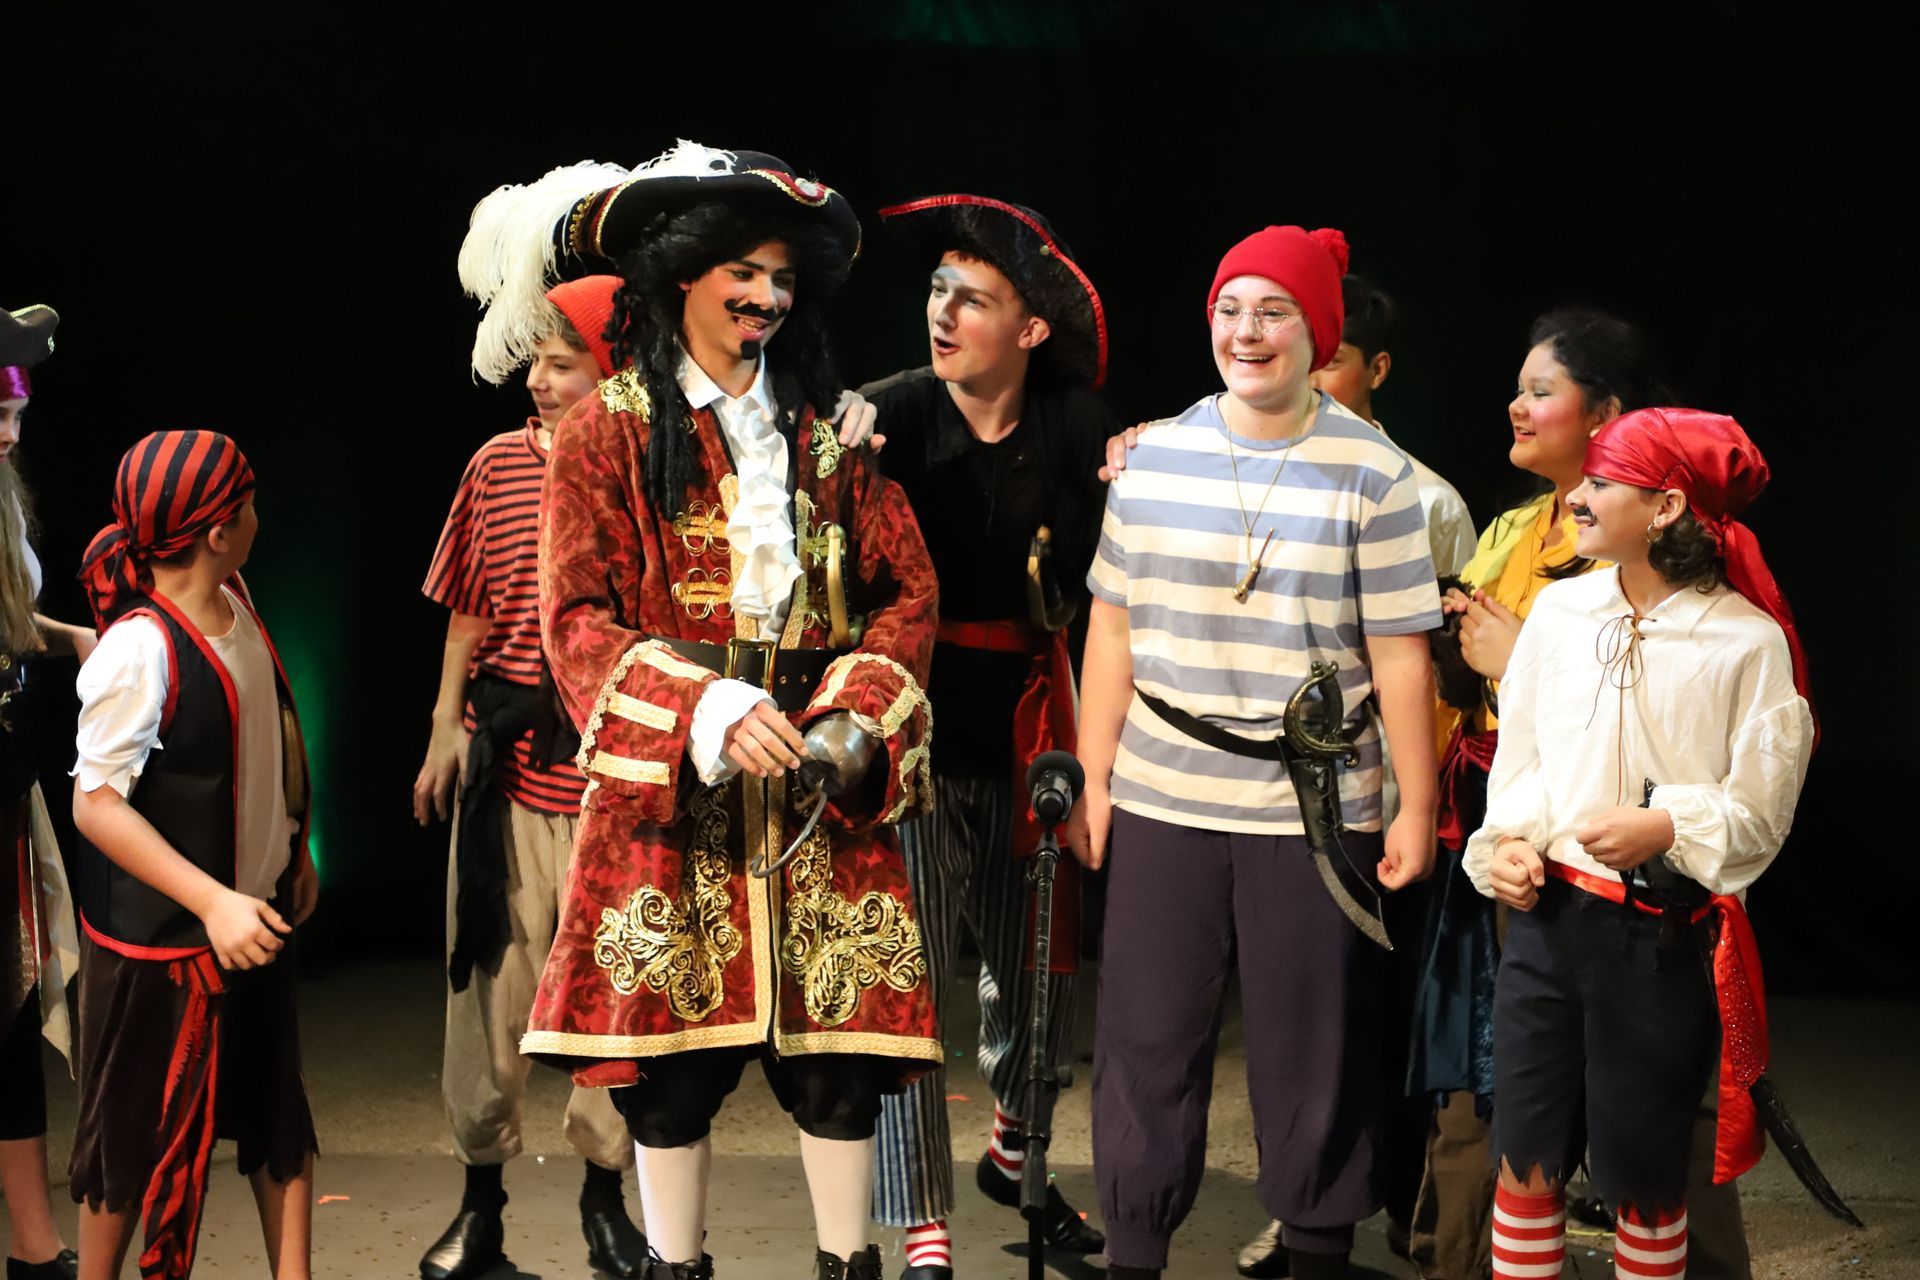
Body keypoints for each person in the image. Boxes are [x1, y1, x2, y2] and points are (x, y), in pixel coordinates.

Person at [469, 143, 937, 1280]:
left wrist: (852, 719)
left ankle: (847, 1266)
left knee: (837, 1071)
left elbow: (905, 591)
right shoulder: (607, 431)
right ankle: (675, 1266)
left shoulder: (831, 432)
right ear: (682, 276)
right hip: (669, 811)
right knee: (671, 1083)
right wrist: (707, 708)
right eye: (743, 269)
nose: (767, 295)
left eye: (781, 277)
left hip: (822, 802)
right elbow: (574, 617)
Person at [1069, 225, 1440, 1280]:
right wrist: (1094, 777)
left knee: (1312, 1049)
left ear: (1319, 333)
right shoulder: (1157, 455)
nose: (1248, 331)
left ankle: (1318, 1248)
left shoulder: (1374, 474)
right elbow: (1111, 628)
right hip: (1164, 793)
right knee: (1145, 1038)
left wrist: (1411, 803)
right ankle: (1133, 1249)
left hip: (1314, 807)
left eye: (1275, 311)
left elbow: (1401, 655)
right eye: (1233, 308)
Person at [1465, 406, 1813, 1280]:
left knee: (1643, 1179)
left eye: (1601, 484)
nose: (1576, 498)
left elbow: (1760, 813)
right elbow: (1527, 759)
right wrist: (1508, 842)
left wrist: (1666, 825)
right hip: (1547, 925)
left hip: (1655, 936)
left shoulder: (1743, 641)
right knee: (1525, 1158)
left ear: (1663, 507)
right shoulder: (1560, 614)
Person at [859, 195, 1113, 1279]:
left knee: (1037, 966)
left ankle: (1020, 1143)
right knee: (909, 976)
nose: (944, 311)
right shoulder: (890, 412)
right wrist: (835, 449)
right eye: (935, 291)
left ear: (1032, 329)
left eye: (974, 297)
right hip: (910, 722)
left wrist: (1151, 446)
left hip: (1027, 715)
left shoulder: (1076, 424)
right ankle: (921, 1218)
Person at [1403, 309, 1670, 1280]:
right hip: (1505, 840)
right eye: (1518, 386)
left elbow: (1649, 719)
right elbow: (1456, 697)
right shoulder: (1513, 529)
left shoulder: (1656, 544)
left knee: (1651, 1119)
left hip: (1621, 861)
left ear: (1606, 415)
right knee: (1483, 1092)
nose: (1516, 403)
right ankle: (1457, 1259)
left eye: (1541, 388)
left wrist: (1517, 665)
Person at [1237, 272, 1478, 1278]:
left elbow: (1447, 670)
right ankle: (1305, 1206)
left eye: (1334, 352)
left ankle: (1400, 1213)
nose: (1314, 368)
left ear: (1374, 367)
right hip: (1266, 793)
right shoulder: (1250, 471)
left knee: (1384, 1018)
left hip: (1377, 797)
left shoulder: (1422, 497)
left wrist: (1416, 802)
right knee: (1298, 1024)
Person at [411, 273, 649, 1280]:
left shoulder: (643, 470)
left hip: (606, 782)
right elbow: (466, 603)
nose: (541, 382)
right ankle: (481, 1206)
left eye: (566, 363)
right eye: (536, 362)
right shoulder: (496, 465)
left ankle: (607, 1197)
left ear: (614, 372)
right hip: (507, 772)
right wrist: (440, 728)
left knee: (613, 993)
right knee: (490, 993)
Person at [67, 431, 319, 1280]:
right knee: (130, 1137)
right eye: (247, 504)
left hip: (253, 920)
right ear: (219, 529)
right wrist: (210, 900)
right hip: (168, 946)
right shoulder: (143, 648)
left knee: (277, 1120)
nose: (258, 516)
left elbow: (269, 726)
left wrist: (294, 846)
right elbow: (95, 802)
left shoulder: (236, 599)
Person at [0, 302, 86, 1280]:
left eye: (17, 411)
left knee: (11, 1004)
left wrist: (70, 640)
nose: (10, 431)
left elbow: (13, 616)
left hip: (8, 776)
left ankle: (34, 1245)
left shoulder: (5, 497)